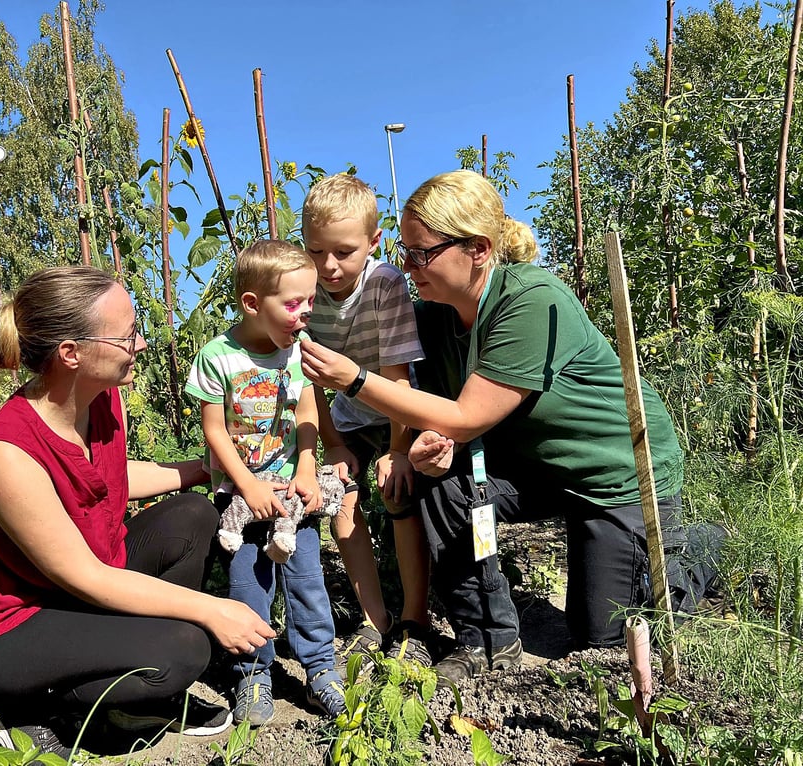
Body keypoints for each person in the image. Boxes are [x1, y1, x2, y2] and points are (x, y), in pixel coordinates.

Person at [300, 170, 722, 686]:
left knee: (606, 634)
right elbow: (440, 417)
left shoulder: (531, 300)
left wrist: (354, 379)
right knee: (439, 482)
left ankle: (701, 548)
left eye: (421, 253)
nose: (407, 268)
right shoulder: (432, 317)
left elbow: (467, 416)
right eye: (405, 253)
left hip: (613, 476)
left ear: (477, 248)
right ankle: (486, 638)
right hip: (527, 465)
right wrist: (424, 447)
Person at [0, 266, 275, 758]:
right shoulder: (5, 454)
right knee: (186, 648)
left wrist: (212, 470)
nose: (140, 344)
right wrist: (213, 609)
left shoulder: (101, 399)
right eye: (128, 335)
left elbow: (110, 476)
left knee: (193, 515)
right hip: (6, 629)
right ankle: (43, 709)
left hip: (75, 594)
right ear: (71, 354)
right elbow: (85, 577)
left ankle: (125, 692)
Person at [185, 240, 347, 727]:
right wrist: (246, 485)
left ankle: (321, 669)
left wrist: (304, 465)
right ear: (252, 304)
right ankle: (253, 672)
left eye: (310, 301)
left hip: (292, 495)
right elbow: (214, 429)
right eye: (293, 304)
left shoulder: (299, 354)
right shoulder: (218, 356)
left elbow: (306, 412)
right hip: (242, 496)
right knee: (249, 583)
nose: (304, 315)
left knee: (307, 581)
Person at [301, 173, 433, 667]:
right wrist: (331, 445)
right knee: (341, 499)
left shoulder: (385, 285)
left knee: (400, 495)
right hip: (348, 416)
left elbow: (399, 379)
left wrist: (399, 451)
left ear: (374, 242)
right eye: (315, 251)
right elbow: (309, 381)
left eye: (343, 251)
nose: (328, 265)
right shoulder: (306, 292)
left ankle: (414, 619)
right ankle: (374, 619)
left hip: (396, 407)